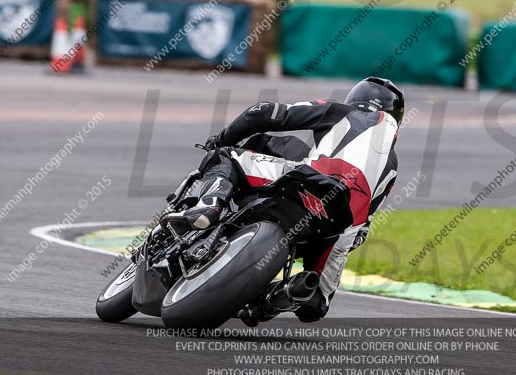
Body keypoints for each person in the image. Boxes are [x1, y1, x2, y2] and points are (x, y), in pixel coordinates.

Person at [162, 77, 403, 322]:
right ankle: (279, 296)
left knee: (224, 156)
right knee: (315, 304)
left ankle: (209, 207)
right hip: (342, 224)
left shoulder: (340, 112)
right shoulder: (392, 166)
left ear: (355, 99)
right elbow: (362, 231)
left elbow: (264, 112)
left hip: (310, 182)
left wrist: (223, 137)